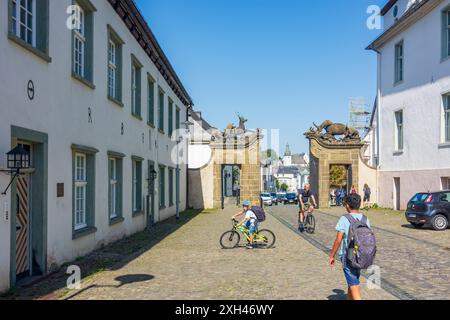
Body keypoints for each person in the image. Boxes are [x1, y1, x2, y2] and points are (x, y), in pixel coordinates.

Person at [329, 193, 371, 300]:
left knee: (354, 286)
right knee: (352, 282)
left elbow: (338, 240)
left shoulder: (344, 218)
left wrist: (332, 255)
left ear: (347, 205)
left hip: (348, 257)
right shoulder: (365, 219)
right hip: (361, 257)